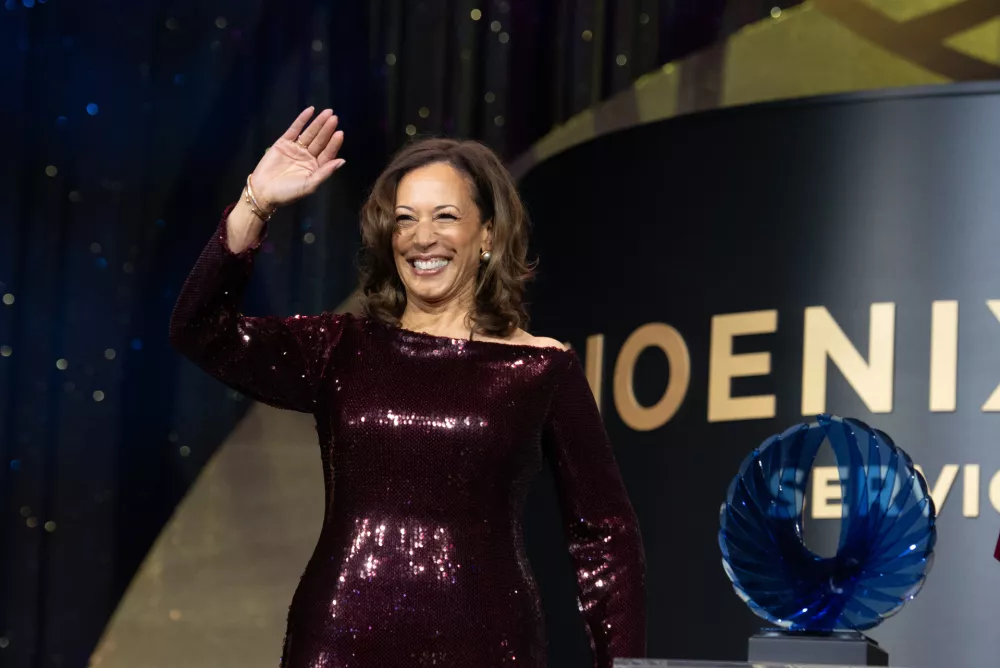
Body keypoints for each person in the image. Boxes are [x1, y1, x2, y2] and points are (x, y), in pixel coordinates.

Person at [169, 106, 646, 667]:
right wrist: (256, 203)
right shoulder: (341, 348)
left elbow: (605, 534)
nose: (422, 238)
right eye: (404, 219)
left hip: (488, 648)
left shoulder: (541, 369)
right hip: (339, 642)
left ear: (488, 233)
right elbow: (200, 330)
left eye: (445, 216)